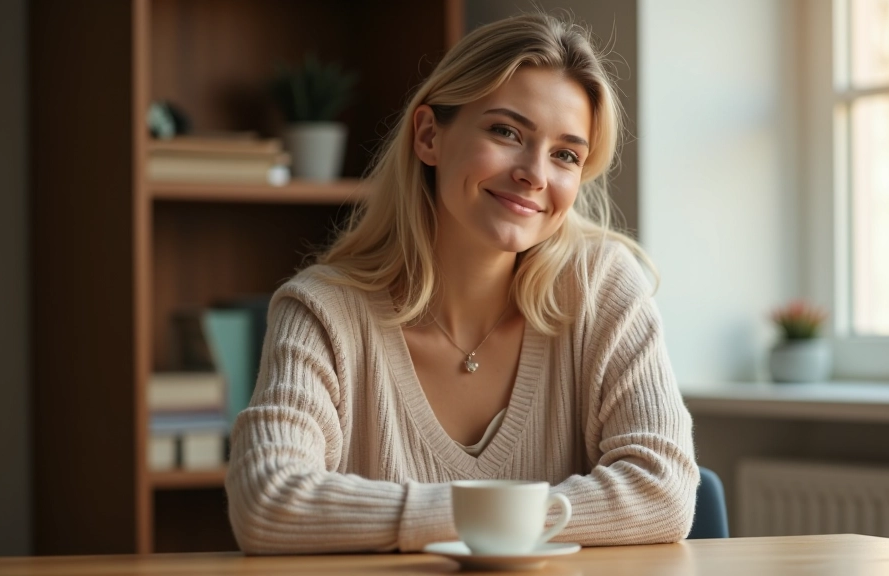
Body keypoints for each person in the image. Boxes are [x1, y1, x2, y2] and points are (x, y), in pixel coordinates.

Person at [225, 12, 699, 554]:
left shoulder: (603, 286)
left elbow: (663, 491)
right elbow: (267, 501)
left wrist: (449, 520)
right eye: (506, 132)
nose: (535, 174)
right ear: (429, 135)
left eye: (566, 154)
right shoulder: (322, 312)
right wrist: (488, 516)